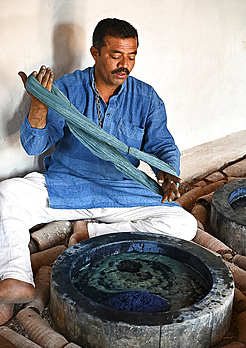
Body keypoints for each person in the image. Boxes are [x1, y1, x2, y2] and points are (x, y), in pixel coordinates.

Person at [0, 18, 197, 323]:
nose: (125, 65)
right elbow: (33, 145)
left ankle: (90, 233)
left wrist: (169, 173)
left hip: (121, 191)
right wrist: (39, 104)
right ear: (95, 52)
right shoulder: (65, 89)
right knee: (7, 193)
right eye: (116, 55)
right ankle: (16, 277)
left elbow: (163, 145)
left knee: (183, 223)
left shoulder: (145, 98)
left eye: (131, 56)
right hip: (67, 186)